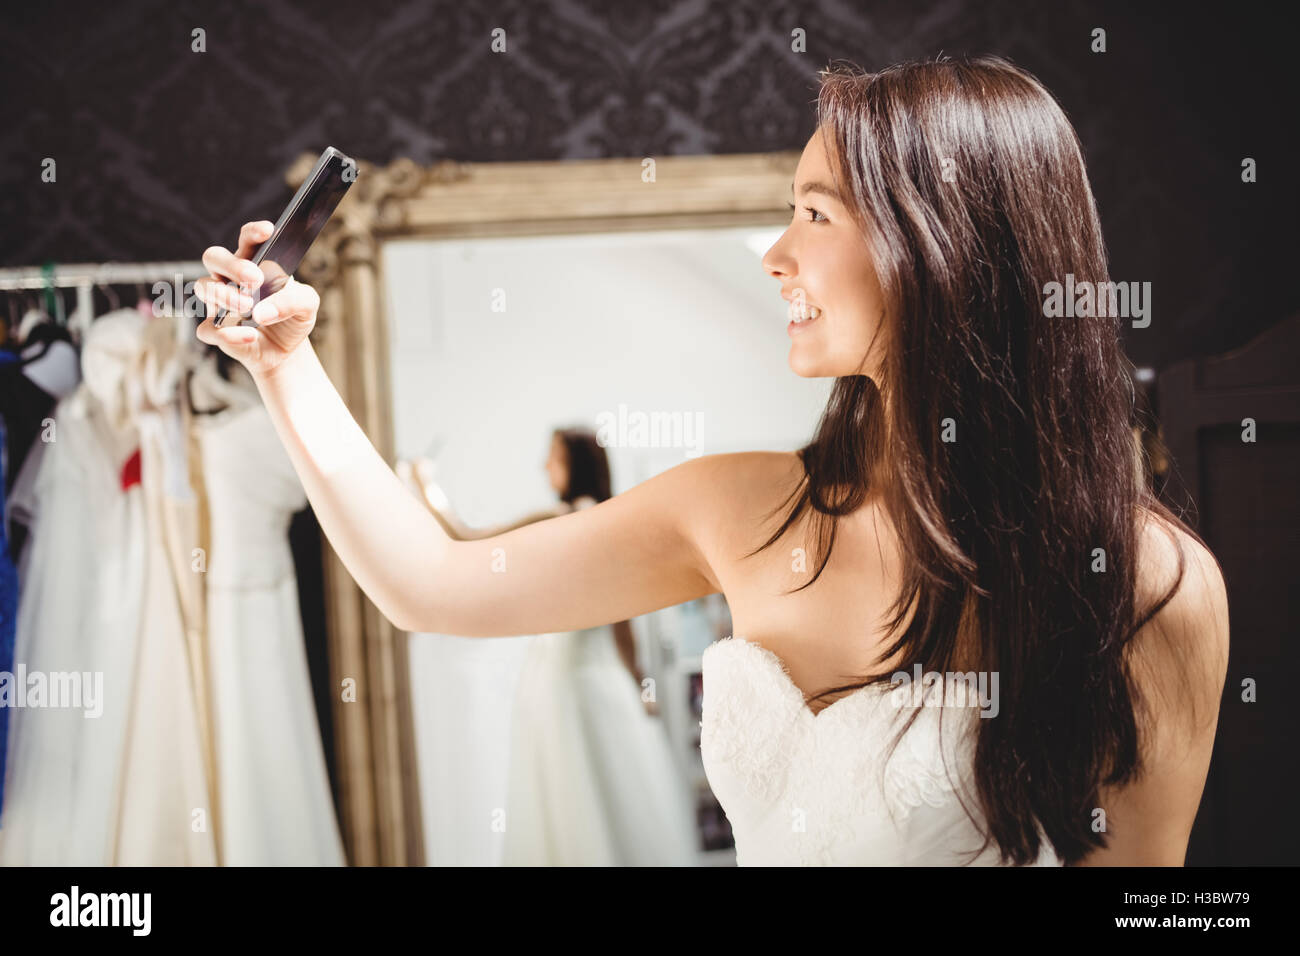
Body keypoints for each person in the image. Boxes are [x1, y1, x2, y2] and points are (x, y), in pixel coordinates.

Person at [196, 54, 1229, 866]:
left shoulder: (1149, 587)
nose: (777, 252)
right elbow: (430, 584)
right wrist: (284, 366)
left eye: (815, 213)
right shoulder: (738, 507)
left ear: (944, 244)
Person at [397, 429, 694, 864]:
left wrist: (425, 482)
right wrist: (640, 684)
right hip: (596, 678)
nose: (544, 467)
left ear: (575, 465)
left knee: (568, 796)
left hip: (567, 681)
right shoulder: (607, 517)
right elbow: (623, 626)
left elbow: (467, 539)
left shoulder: (568, 516)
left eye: (552, 459)